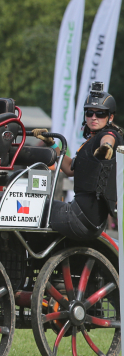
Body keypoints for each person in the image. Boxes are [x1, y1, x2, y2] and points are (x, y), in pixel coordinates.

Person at [34, 85, 121, 240]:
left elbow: (108, 139)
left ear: (110, 117)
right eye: (90, 112)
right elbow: (68, 168)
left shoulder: (108, 134)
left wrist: (106, 147)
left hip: (82, 216)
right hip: (87, 217)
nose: (94, 117)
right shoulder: (91, 143)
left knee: (37, 208)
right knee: (42, 206)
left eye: (100, 113)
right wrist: (52, 144)